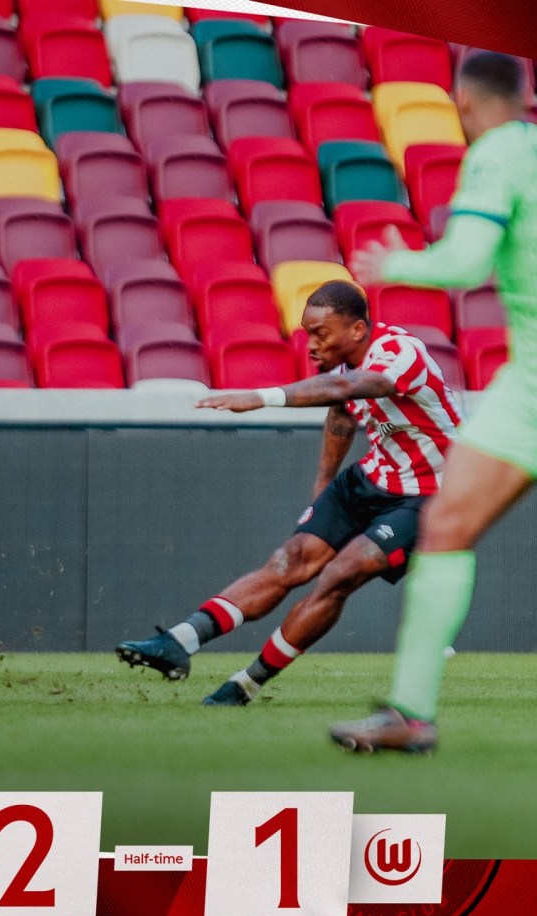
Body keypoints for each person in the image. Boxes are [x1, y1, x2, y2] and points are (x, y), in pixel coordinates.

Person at [116, 280, 461, 751]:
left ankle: (245, 684)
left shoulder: (401, 352)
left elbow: (349, 387)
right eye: (307, 334)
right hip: (369, 479)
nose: (312, 344)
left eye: (321, 333)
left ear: (359, 328)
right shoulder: (346, 363)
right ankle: (180, 642)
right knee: (288, 562)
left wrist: (262, 396)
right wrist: (323, 489)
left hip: (426, 494)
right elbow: (342, 414)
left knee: (341, 573)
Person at [330, 50, 537, 753]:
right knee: (444, 524)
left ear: (465, 103)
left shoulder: (498, 153)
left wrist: (395, 265)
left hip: (532, 385)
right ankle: (409, 716)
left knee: (447, 527)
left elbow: (466, 260)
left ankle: (411, 714)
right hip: (526, 384)